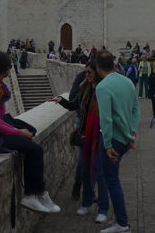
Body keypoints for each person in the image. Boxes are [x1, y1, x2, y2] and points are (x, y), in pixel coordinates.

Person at [0, 51, 60, 214]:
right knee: (35, 150)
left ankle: (34, 194)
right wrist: (19, 133)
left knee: (31, 148)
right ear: (7, 70)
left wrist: (18, 131)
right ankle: (37, 194)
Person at [48, 61, 111, 223]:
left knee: (101, 174)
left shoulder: (104, 90)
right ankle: (87, 202)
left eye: (89, 72)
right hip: (86, 135)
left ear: (97, 72)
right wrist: (61, 100)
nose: (86, 75)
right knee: (85, 170)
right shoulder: (85, 90)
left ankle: (103, 209)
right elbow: (73, 104)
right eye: (86, 72)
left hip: (101, 135)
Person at [94, 50, 141, 233]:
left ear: (98, 67)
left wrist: (107, 145)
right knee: (113, 179)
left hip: (112, 140)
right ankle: (119, 217)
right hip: (125, 139)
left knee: (111, 181)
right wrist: (132, 133)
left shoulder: (102, 87)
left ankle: (122, 223)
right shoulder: (127, 81)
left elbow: (105, 119)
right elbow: (136, 109)